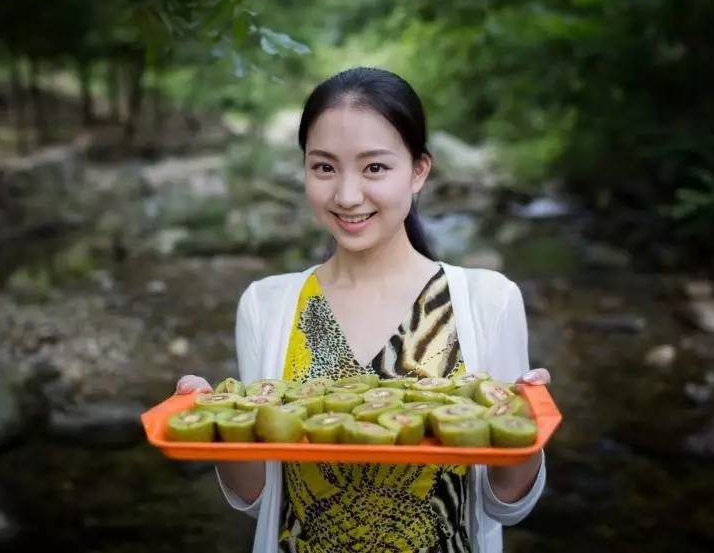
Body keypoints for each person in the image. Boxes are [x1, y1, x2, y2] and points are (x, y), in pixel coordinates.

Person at [176, 67, 550, 553]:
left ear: (419, 170)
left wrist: (525, 428)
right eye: (324, 167)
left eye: (374, 167)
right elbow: (259, 498)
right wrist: (223, 428)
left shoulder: (488, 300)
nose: (347, 196)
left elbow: (505, 505)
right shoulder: (266, 305)